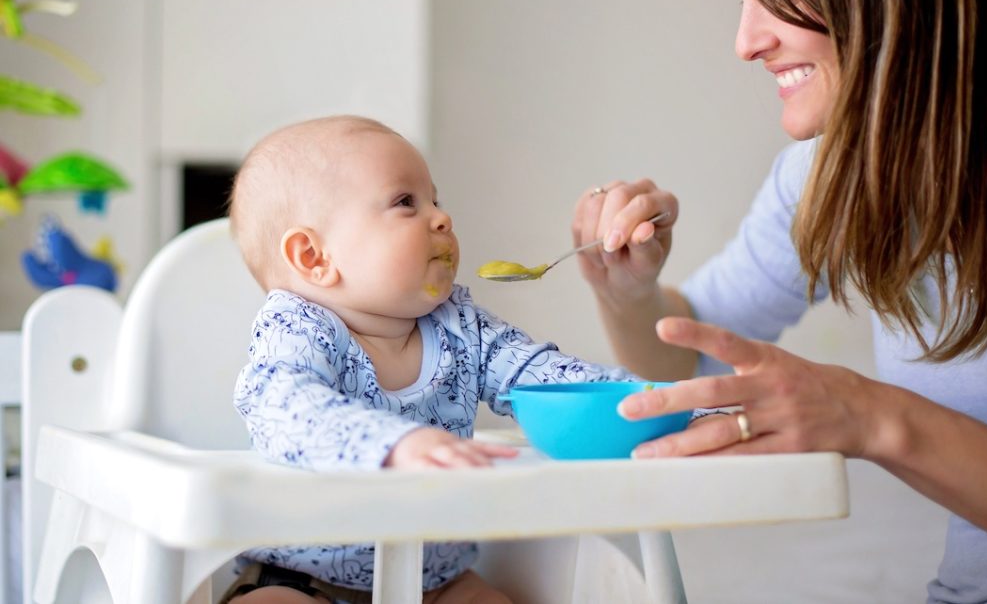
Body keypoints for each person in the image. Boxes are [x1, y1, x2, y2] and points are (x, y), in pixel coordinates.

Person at [570, 0, 987, 601]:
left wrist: (870, 416)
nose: (746, 41)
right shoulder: (828, 176)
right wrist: (627, 291)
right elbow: (691, 355)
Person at [225, 114, 676, 604]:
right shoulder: (297, 329)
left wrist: (662, 403)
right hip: (299, 576)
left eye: (435, 200)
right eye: (405, 202)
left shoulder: (461, 328)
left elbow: (548, 376)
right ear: (314, 257)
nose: (442, 218)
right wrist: (394, 445)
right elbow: (283, 406)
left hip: (434, 580)